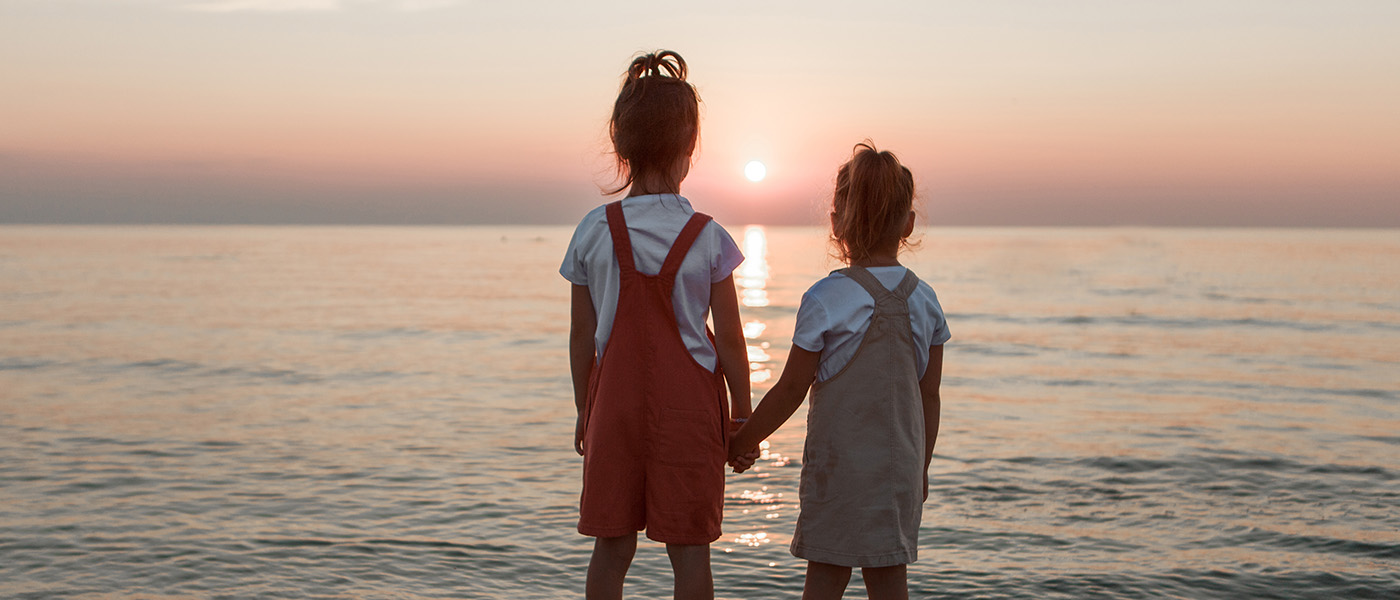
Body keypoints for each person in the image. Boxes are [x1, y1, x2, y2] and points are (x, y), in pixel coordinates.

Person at [560, 50, 753, 600]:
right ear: (690, 145)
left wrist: (584, 409)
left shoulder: (594, 230)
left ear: (619, 143)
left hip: (613, 408)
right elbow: (733, 342)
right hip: (688, 411)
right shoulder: (708, 236)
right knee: (689, 551)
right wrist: (741, 417)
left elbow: (581, 339)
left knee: (612, 547)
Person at [728, 142, 949, 600]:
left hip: (839, 472)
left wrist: (743, 441)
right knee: (890, 582)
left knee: (826, 578)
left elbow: (791, 388)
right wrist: (921, 466)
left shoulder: (826, 299)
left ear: (836, 223)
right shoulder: (926, 300)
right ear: (908, 223)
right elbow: (930, 396)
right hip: (900, 471)